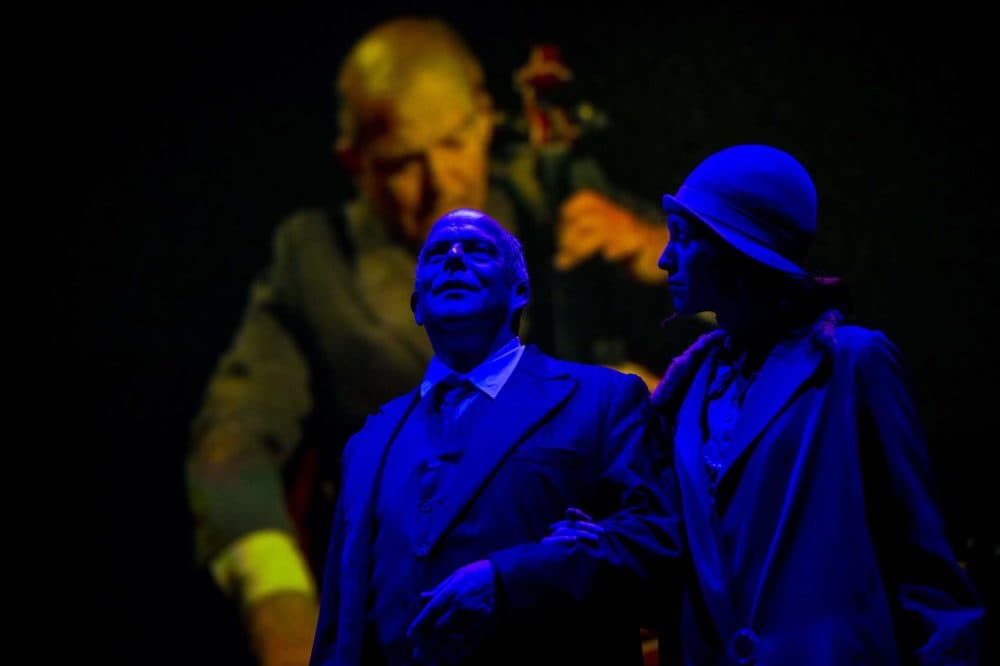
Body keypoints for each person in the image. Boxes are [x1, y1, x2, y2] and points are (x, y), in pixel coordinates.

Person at [185, 16, 692, 666]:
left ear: (487, 117)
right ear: (355, 164)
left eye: (455, 142)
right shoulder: (315, 261)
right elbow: (229, 451)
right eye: (402, 162)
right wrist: (279, 602)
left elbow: (734, 327)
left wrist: (655, 254)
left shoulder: (549, 191)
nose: (441, 183)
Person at [551, 144, 984, 664]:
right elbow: (691, 559)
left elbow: (925, 566)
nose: (665, 257)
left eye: (684, 237)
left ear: (739, 250)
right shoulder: (687, 391)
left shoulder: (850, 364)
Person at [309, 208, 679, 665]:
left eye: (478, 250)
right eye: (437, 254)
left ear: (520, 291)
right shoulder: (368, 441)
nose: (454, 258)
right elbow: (339, 625)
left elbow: (659, 546)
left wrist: (511, 579)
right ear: (417, 304)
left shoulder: (601, 398)